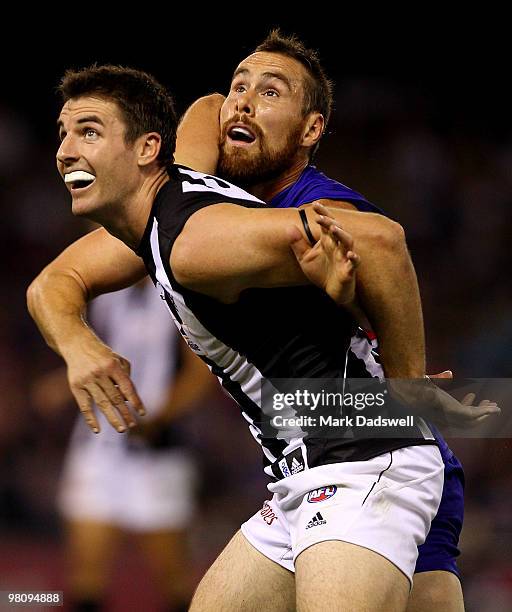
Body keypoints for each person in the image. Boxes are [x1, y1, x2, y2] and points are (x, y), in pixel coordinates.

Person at [27, 64, 497, 611]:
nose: (64, 150)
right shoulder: (175, 195)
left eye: (88, 131)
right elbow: (53, 284)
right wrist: (81, 347)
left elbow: (382, 240)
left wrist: (407, 388)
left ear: (147, 148)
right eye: (63, 133)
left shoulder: (194, 242)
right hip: (304, 469)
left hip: (360, 458)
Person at [177, 31, 468, 611]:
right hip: (305, 467)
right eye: (239, 88)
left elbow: (383, 247)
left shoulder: (321, 206)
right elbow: (204, 113)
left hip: (372, 453)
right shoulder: (226, 209)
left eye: (270, 92)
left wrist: (358, 309)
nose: (243, 103)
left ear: (311, 130)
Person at [32, 277, 212, 612]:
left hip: (159, 454)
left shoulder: (179, 296)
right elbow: (98, 359)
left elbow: (200, 373)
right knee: (85, 579)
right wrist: (62, 384)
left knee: (174, 580)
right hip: (98, 446)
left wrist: (158, 418)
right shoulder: (106, 297)